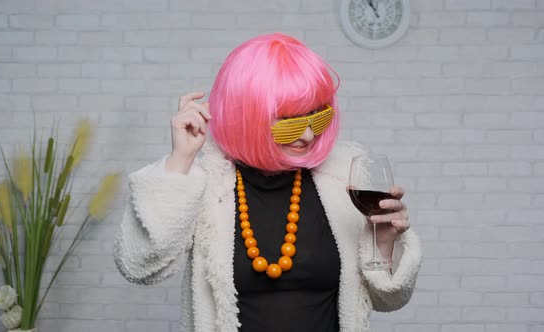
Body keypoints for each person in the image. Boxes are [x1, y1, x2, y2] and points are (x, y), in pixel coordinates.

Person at [114, 33, 421, 332]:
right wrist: (180, 161)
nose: (308, 136)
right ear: (245, 116)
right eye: (290, 123)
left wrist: (383, 244)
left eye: (318, 117)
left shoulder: (344, 178)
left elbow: (388, 298)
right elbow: (140, 266)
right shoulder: (207, 180)